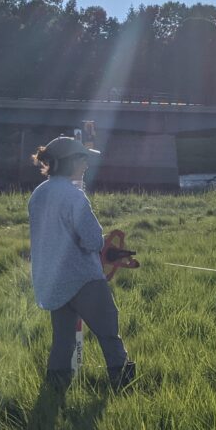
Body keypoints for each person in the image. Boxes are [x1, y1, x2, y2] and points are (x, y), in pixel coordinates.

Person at [28, 136, 136, 392]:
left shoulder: (38, 194)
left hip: (53, 281)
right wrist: (106, 247)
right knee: (109, 335)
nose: (87, 164)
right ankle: (124, 390)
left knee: (62, 341)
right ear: (71, 162)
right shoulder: (74, 196)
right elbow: (91, 240)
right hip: (84, 280)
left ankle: (54, 394)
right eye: (83, 158)